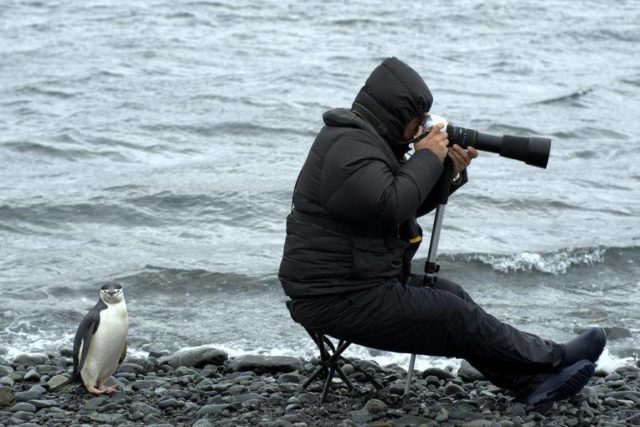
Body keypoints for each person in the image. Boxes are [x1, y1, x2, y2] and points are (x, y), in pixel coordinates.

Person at [278, 57, 606, 406]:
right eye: (417, 120)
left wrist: (447, 172)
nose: (420, 129)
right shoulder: (349, 147)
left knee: (454, 297)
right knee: (453, 315)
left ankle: (531, 383)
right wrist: (427, 158)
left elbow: (399, 208)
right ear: (394, 114)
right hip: (334, 296)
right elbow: (391, 204)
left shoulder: (366, 142)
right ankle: (555, 358)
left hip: (358, 282)